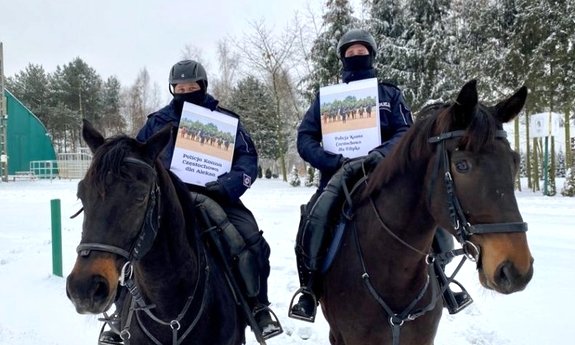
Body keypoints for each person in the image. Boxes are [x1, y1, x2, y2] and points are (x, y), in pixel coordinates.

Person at [288, 28, 473, 322]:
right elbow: (305, 137)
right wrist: (331, 160)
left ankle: (442, 276)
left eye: (361, 51)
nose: (356, 55)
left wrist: (381, 155)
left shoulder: (390, 94)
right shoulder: (326, 98)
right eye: (350, 52)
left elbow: (405, 131)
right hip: (340, 175)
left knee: (428, 213)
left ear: (371, 55)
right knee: (315, 216)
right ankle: (310, 289)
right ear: (342, 58)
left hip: (386, 175)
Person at [98, 60, 282, 344]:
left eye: (192, 87)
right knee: (131, 240)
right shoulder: (157, 122)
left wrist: (227, 186)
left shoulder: (225, 120)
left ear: (203, 87)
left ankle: (258, 307)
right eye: (180, 88)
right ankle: (120, 312)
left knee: (251, 239)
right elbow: (138, 161)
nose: (186, 91)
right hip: (165, 202)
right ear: (173, 90)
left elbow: (247, 159)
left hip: (217, 197)